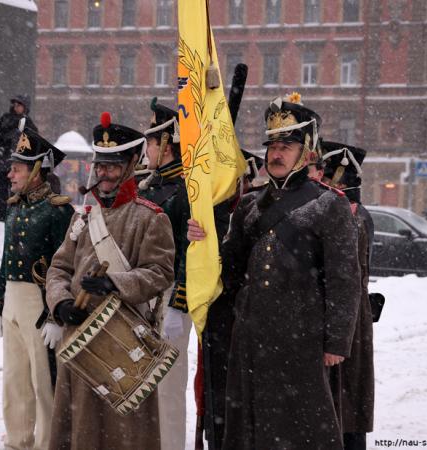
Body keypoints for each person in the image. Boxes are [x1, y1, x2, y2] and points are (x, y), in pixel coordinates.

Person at [188, 93, 361, 450]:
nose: (276, 154)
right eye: (272, 146)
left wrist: (336, 342)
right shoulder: (251, 203)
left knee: (301, 429)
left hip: (302, 338)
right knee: (250, 428)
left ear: (308, 151)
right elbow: (230, 268)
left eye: (286, 145)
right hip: (251, 338)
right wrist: (205, 240)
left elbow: (345, 280)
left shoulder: (329, 205)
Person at [45, 112, 175, 450]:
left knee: (125, 436)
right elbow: (58, 270)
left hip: (124, 344)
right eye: (100, 166)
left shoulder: (151, 217)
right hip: (80, 339)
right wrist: (61, 304)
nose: (103, 174)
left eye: (113, 166)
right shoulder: (83, 217)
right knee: (78, 431)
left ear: (131, 164)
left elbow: (160, 273)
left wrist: (114, 284)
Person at [0, 121, 74, 450]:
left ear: (37, 170)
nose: (10, 176)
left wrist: (57, 316)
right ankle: (18, 441)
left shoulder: (58, 211)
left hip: (39, 304)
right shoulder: (15, 209)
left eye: (17, 169)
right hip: (14, 299)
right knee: (14, 382)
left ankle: (46, 443)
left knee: (44, 383)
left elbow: (67, 267)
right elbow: (5, 261)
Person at [138, 98, 192, 450]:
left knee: (169, 386)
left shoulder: (188, 190)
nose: (146, 150)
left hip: (170, 292)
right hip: (142, 292)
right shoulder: (148, 185)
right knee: (139, 382)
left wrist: (180, 302)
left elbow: (192, 251)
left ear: (167, 144)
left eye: (151, 142)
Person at [322, 141, 375, 450]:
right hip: (349, 322)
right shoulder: (351, 215)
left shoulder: (353, 219)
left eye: (326, 177)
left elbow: (345, 280)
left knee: (346, 405)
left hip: (349, 325)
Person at [0, 95, 38, 221]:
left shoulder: (28, 123)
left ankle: (15, 215)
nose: (16, 107)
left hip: (19, 164)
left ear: (25, 107)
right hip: (2, 163)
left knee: (18, 190)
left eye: (19, 105)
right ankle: (2, 215)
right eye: (15, 104)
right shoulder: (5, 119)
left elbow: (33, 141)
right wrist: (0, 149)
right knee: (1, 191)